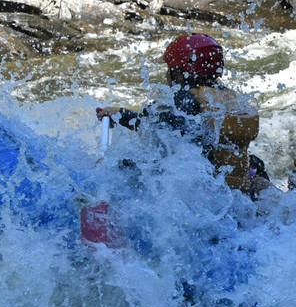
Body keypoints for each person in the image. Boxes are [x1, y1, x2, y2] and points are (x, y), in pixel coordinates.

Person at [96, 32, 269, 197]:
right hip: (239, 182)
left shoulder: (184, 99)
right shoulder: (230, 98)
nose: (166, 75)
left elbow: (151, 127)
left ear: (179, 73)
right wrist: (119, 113)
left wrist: (121, 116)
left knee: (119, 166)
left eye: (169, 69)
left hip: (203, 186)